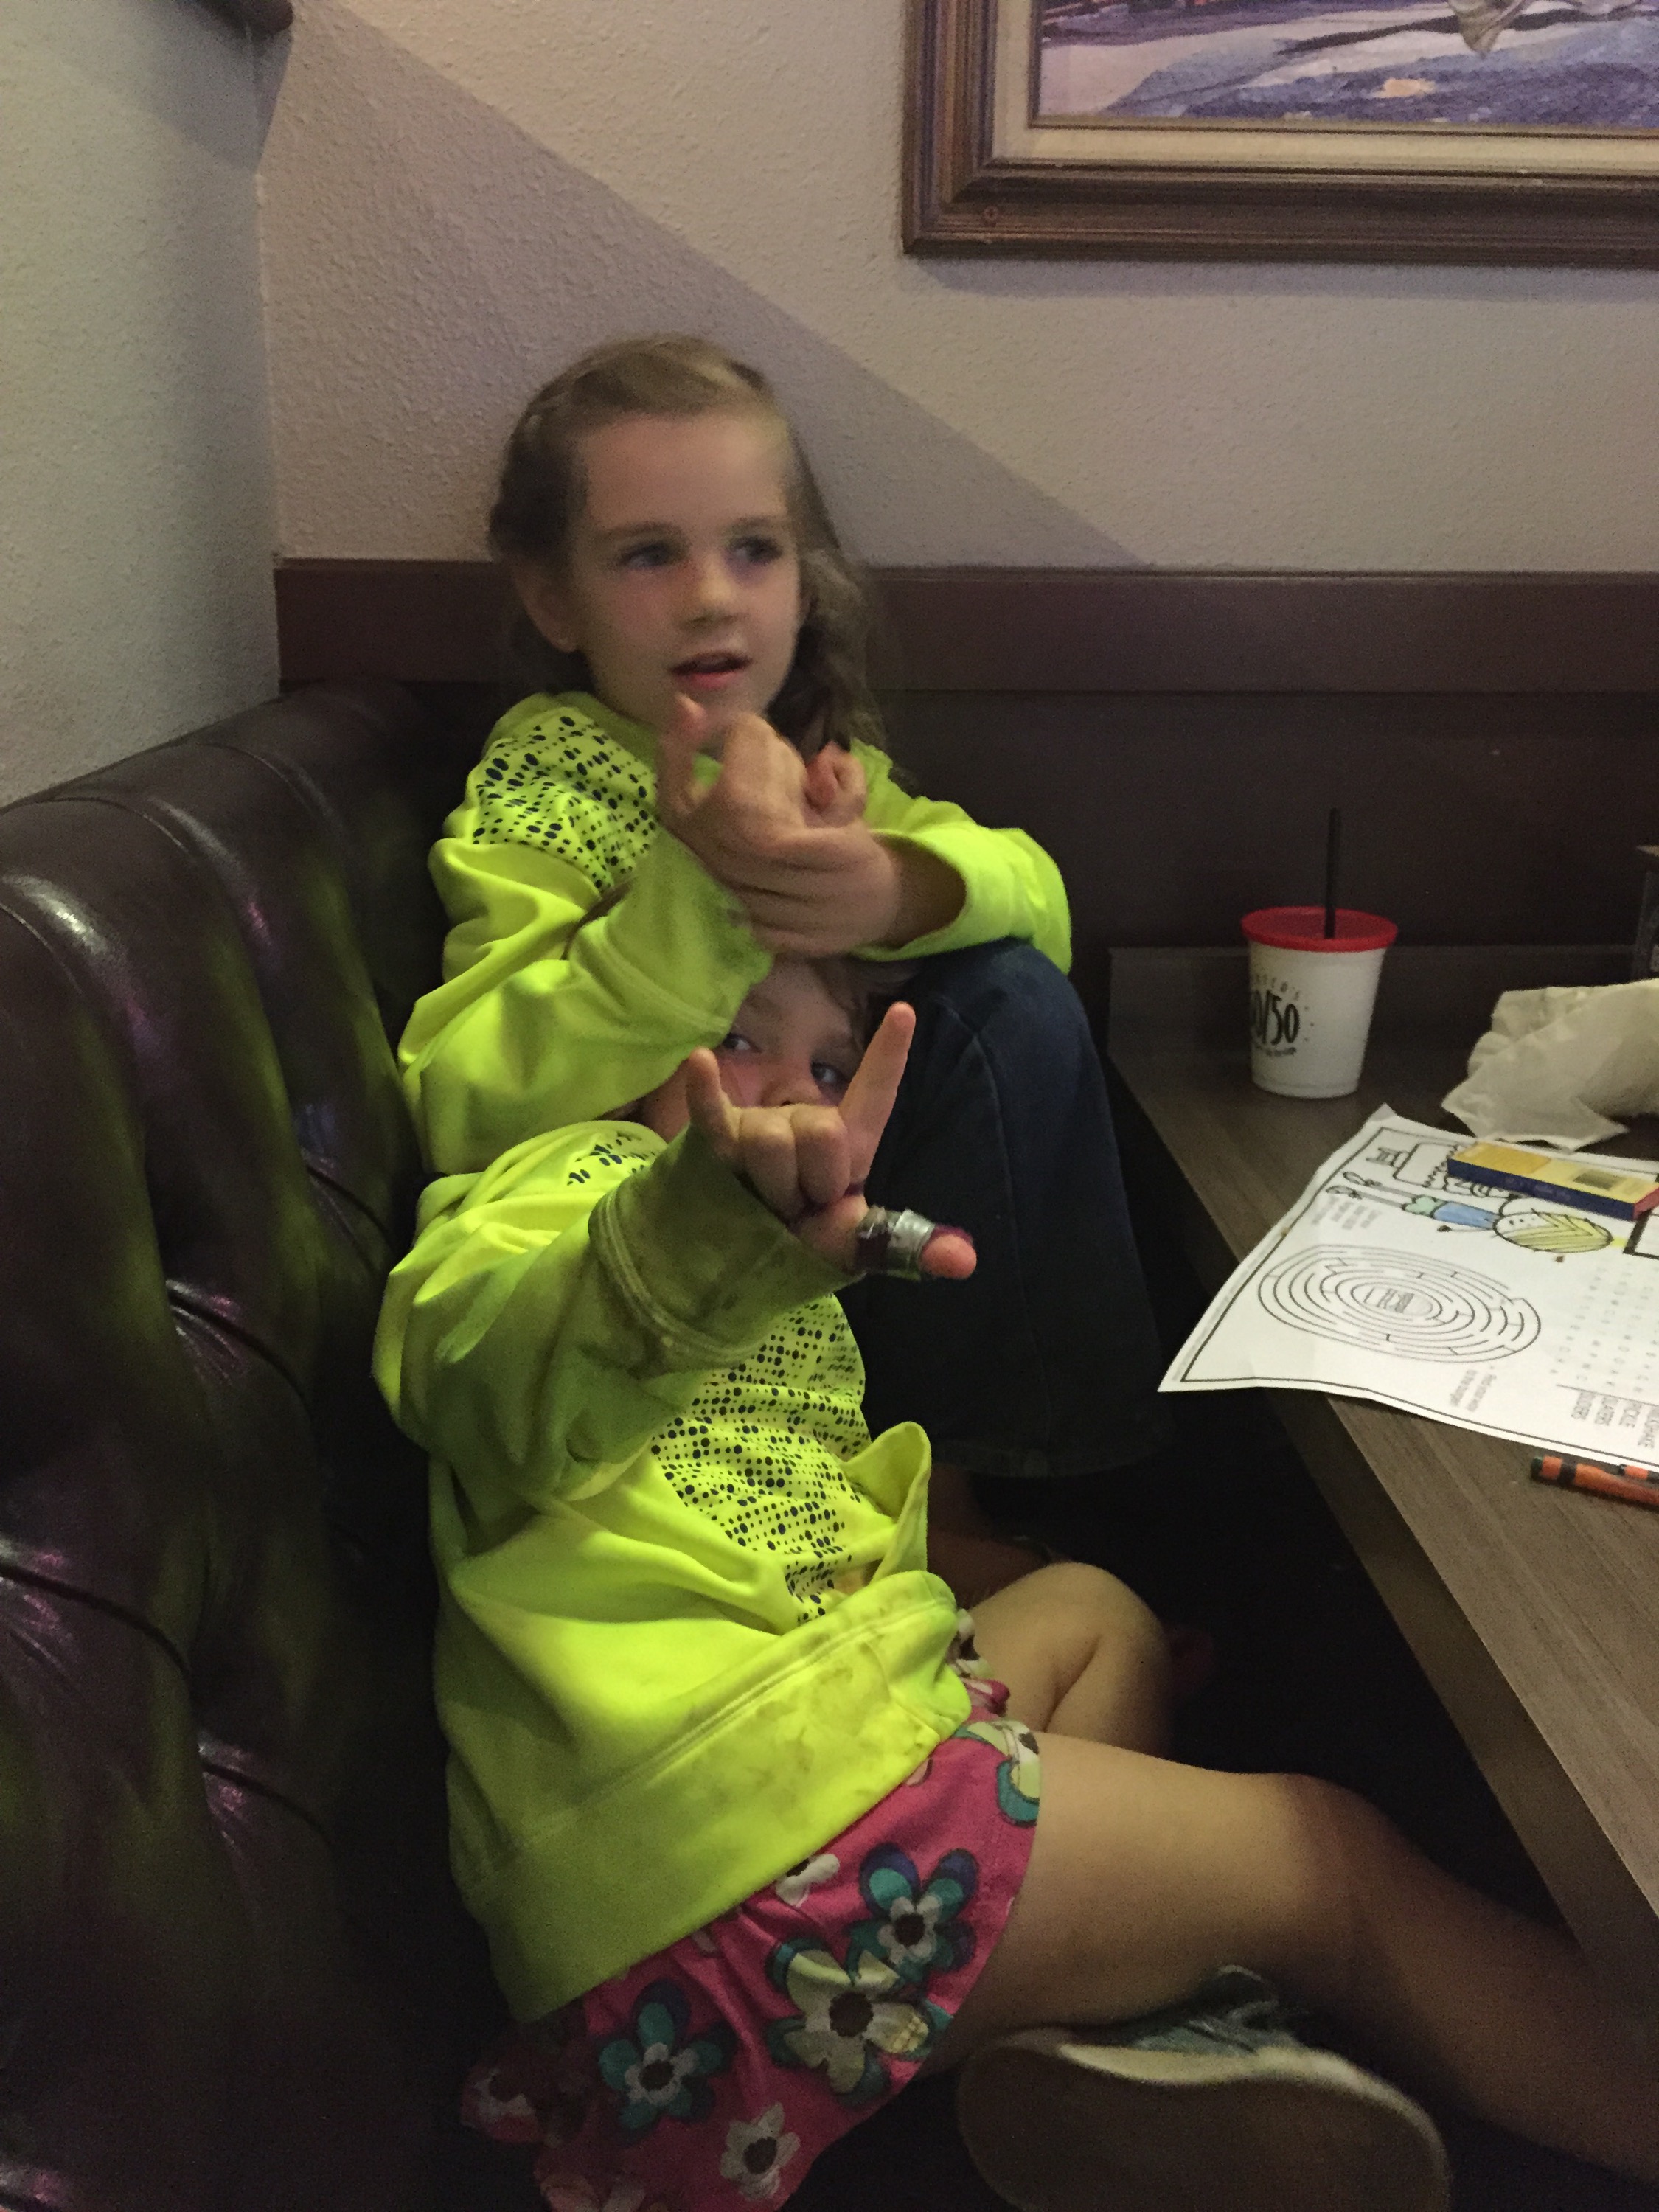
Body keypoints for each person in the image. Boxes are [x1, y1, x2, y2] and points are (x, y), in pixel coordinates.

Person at [375, 956, 1659, 2212]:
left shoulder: (777, 1275)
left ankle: (1101, 2048)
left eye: (829, 1065)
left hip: (756, 1803)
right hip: (731, 1874)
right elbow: (481, 1385)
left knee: (1094, 1613)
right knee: (1331, 1867)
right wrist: (683, 1224)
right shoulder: (555, 1187)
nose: (803, 1098)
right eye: (744, 1039)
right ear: (617, 1040)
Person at [396, 333, 1171, 1596]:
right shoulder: (552, 782)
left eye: (754, 549)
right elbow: (465, 1099)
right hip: (647, 1268)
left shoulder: (819, 765)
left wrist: (897, 886)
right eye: (648, 554)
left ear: (803, 583)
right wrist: (701, 897)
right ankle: (978, 1531)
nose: (712, 597)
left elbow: (1040, 901)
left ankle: (1021, 1493)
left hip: (862, 1248)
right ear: (552, 599)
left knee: (1009, 999)